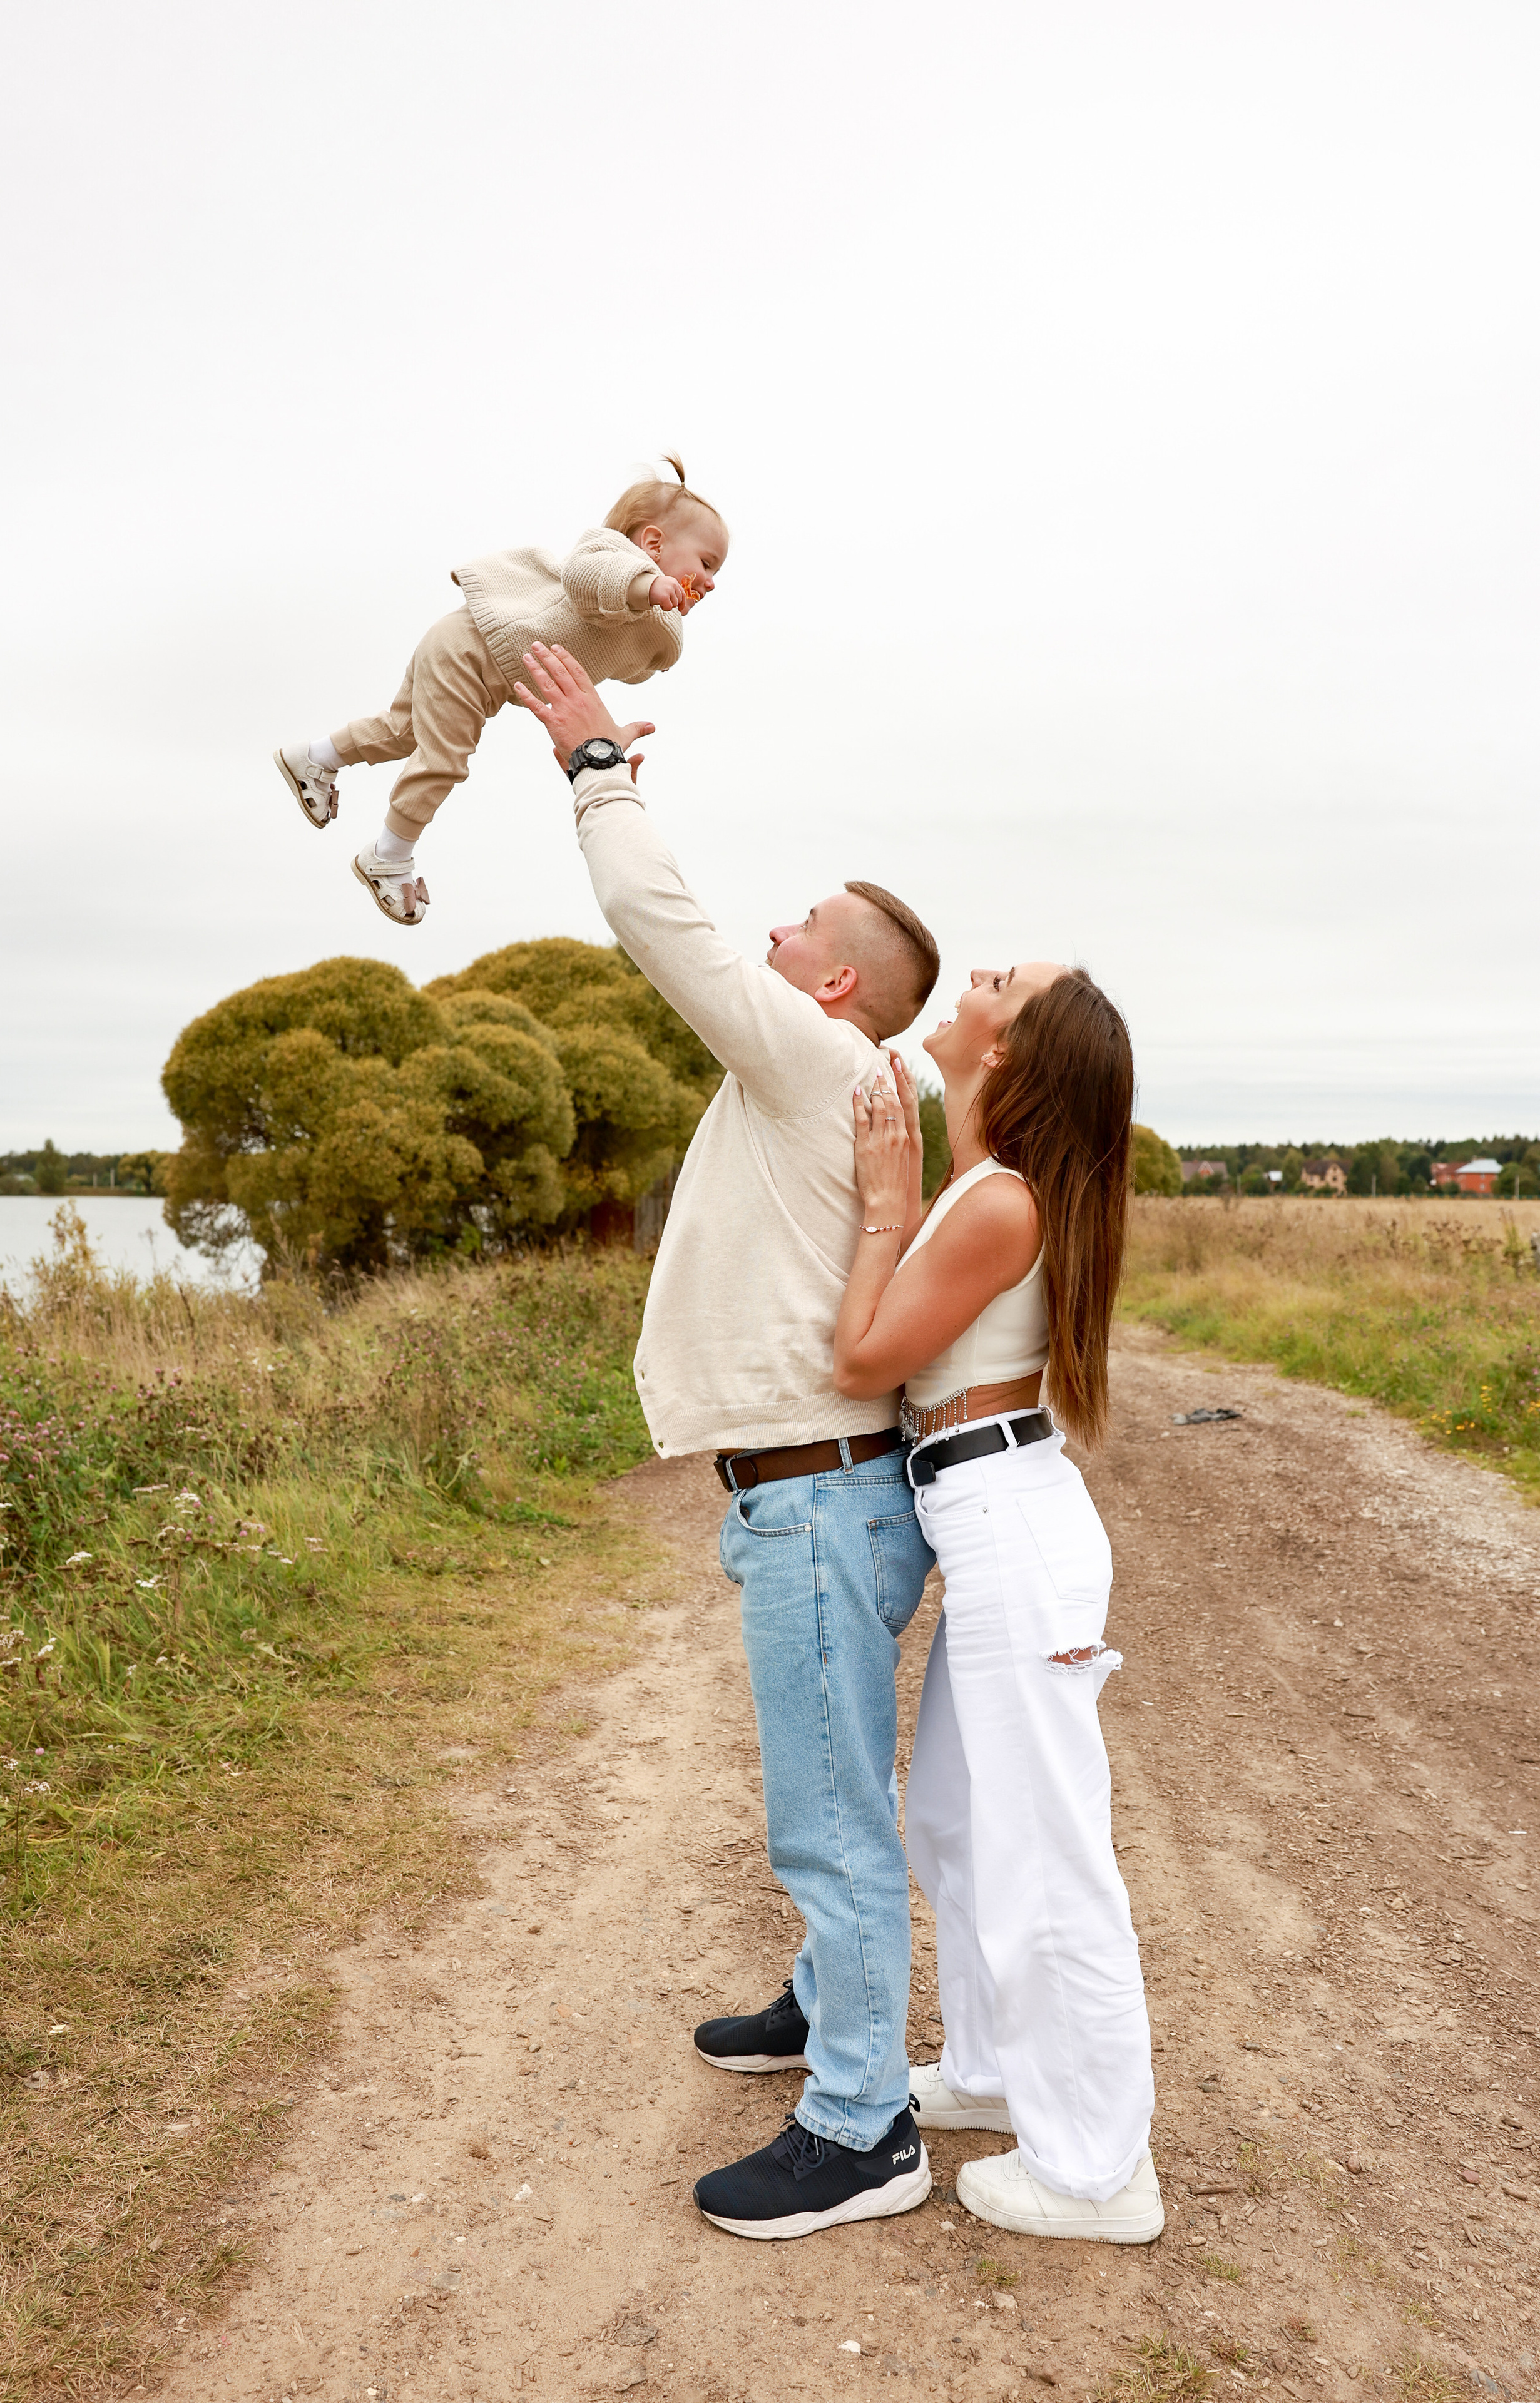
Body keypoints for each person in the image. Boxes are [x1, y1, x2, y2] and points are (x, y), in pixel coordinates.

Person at [511, 640, 941, 2240]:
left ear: (830, 983)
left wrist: (592, 766)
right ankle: (822, 2009)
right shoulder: (821, 1066)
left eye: (797, 931)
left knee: (828, 1814)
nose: (768, 934)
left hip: (818, 1502)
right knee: (830, 1790)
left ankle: (862, 2122)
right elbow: (701, 935)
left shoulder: (810, 1051)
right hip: (820, 1495)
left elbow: (658, 921)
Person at [831, 965, 1165, 2243]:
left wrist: (882, 1209)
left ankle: (1094, 2172)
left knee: (1046, 1856)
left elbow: (864, 1358)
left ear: (1011, 1057)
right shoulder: (998, 1189)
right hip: (988, 1518)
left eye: (997, 982)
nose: (970, 976)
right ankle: (981, 2070)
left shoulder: (996, 1203)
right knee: (957, 1821)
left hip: (1008, 1524)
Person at [273, 456, 728, 927]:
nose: (712, 581)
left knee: (403, 731)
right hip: (471, 650)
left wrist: (660, 630)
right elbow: (587, 577)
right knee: (445, 759)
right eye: (707, 564)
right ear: (653, 543)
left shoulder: (643, 612)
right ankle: (389, 856)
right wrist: (649, 586)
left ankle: (314, 757)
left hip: (475, 660)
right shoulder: (612, 557)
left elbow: (623, 657)